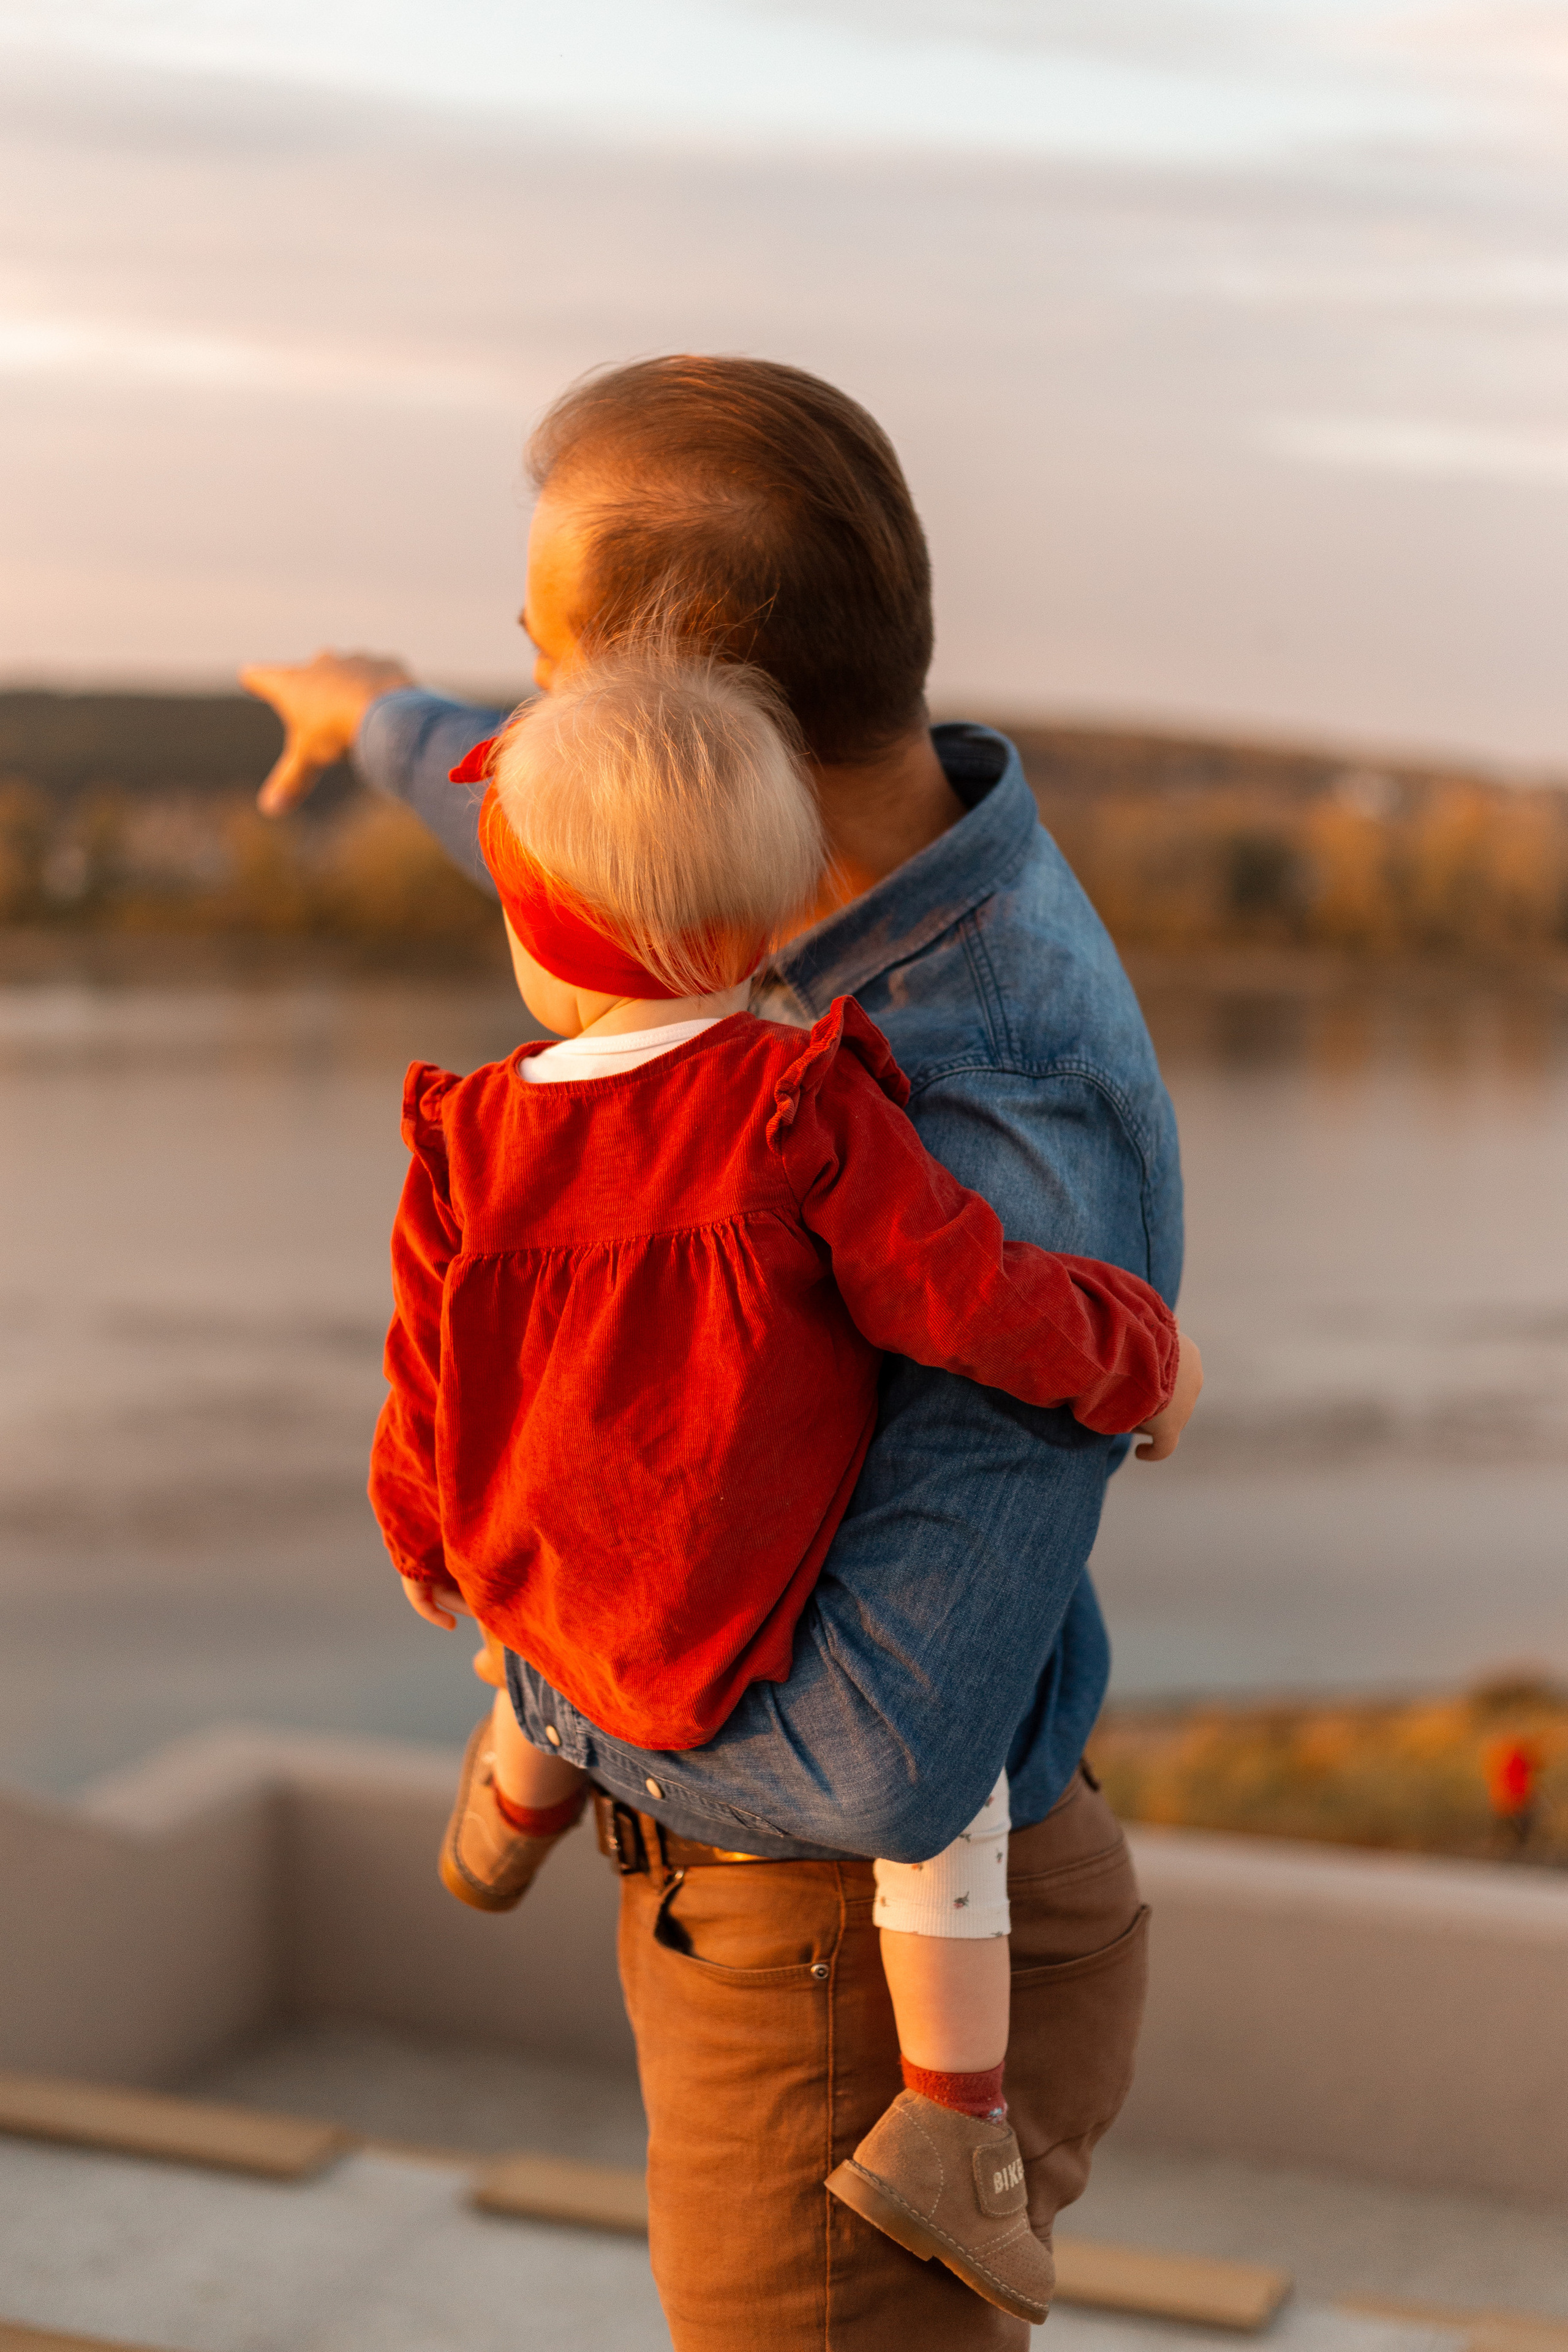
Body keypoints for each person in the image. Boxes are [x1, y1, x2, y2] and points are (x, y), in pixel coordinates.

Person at [241, 354, 1188, 2352]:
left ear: (701, 720)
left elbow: (882, 1756)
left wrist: (531, 1674)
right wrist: (371, 714)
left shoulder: (983, 1093)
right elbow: (512, 799)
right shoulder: (719, 880)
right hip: (747, 1922)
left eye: (547, 663)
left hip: (844, 1982)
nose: (527, 724)